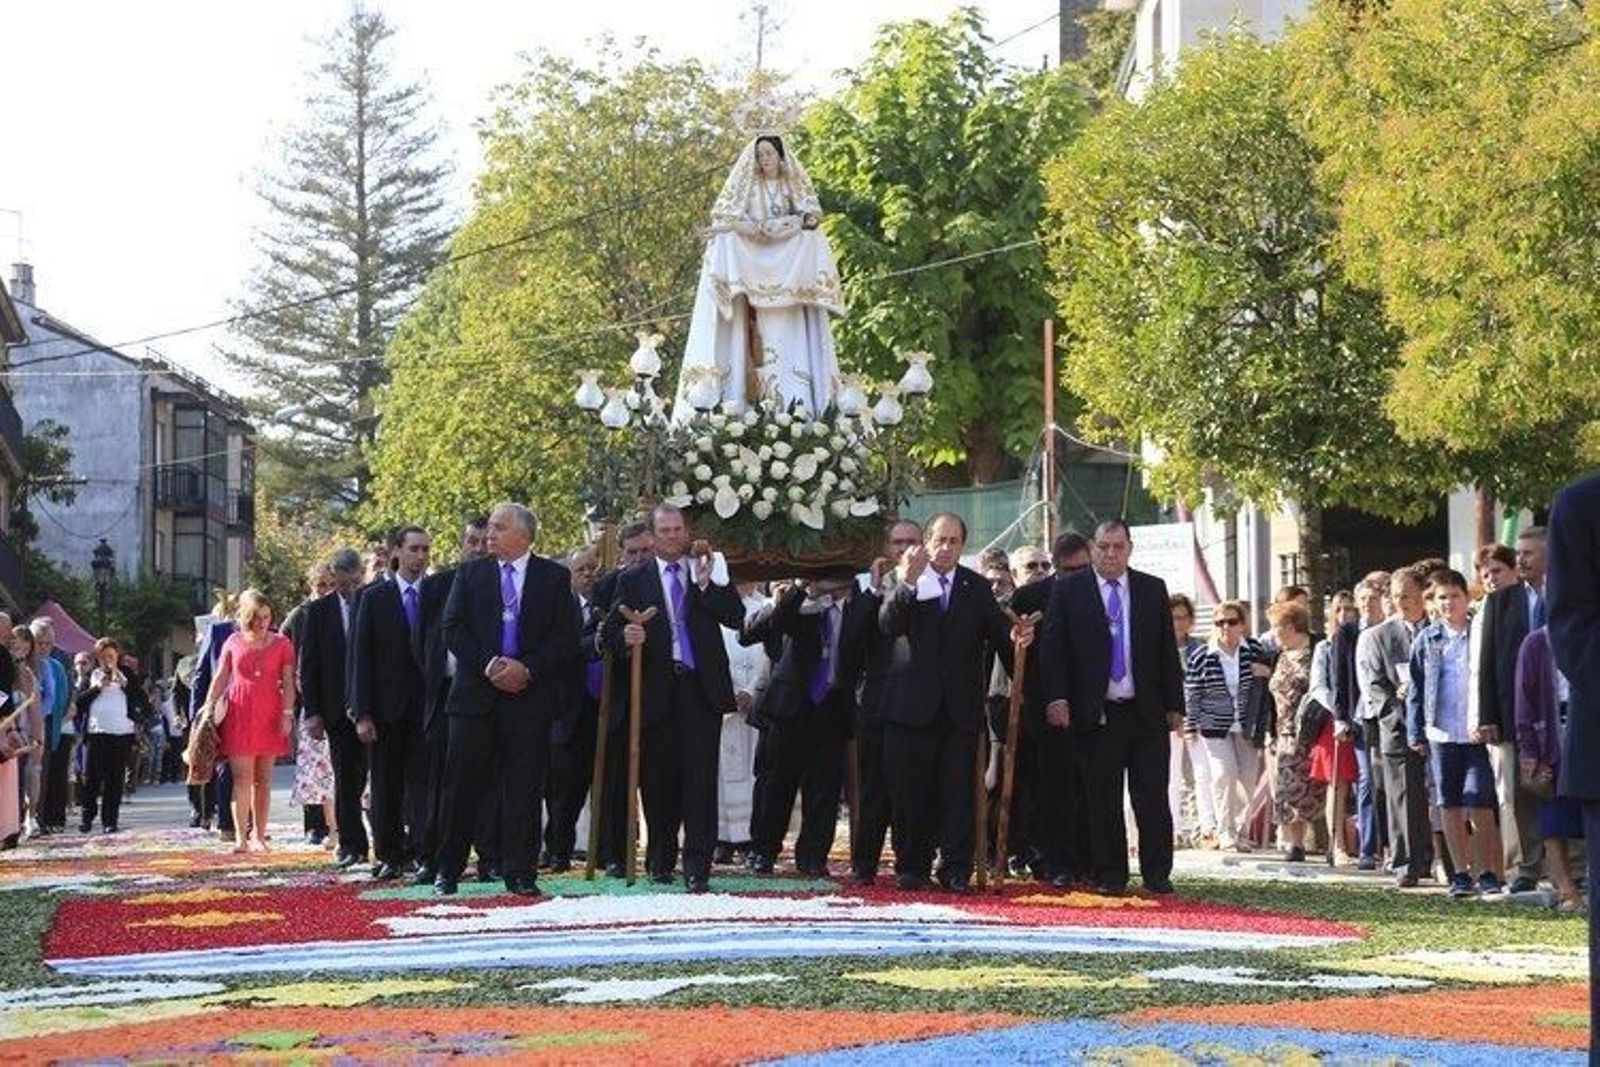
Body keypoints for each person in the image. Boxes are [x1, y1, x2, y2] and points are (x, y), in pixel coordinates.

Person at [434, 503, 580, 897]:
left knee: (525, 788)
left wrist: (527, 669)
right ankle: (447, 868)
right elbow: (452, 628)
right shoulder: (471, 573)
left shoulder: (553, 577)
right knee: (461, 786)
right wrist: (490, 665)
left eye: (499, 528)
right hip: (475, 698)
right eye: (489, 529)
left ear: (524, 535)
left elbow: (566, 637)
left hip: (529, 700)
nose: (489, 535)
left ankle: (520, 872)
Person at [879, 513, 1027, 893]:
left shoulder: (975, 587)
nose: (945, 548)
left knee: (959, 793)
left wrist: (1019, 644)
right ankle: (912, 866)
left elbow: (999, 636)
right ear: (926, 541)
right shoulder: (904, 577)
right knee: (913, 793)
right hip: (912, 708)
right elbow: (888, 625)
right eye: (939, 540)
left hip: (959, 709)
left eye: (954, 541)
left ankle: (955, 867)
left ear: (963, 545)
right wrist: (909, 581)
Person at [603, 504, 744, 893]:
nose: (672, 536)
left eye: (677, 529)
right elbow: (611, 634)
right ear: (651, 535)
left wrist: (705, 584)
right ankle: (660, 860)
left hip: (700, 689)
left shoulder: (708, 567)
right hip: (655, 689)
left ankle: (697, 866)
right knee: (659, 780)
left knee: (700, 780)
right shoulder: (634, 579)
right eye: (664, 530)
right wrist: (625, 639)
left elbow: (734, 615)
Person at [1042, 519, 1183, 895]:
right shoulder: (1071, 590)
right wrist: (1057, 698)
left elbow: (1166, 650)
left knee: (1151, 795)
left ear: (1129, 549)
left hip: (1146, 711)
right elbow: (1053, 650)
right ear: (1092, 548)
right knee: (1101, 799)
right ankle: (1111, 875)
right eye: (1103, 547)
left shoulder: (1152, 589)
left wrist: (1175, 703)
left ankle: (1157, 873)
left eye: (1118, 547)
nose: (1110, 554)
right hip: (1097, 712)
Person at [675, 134, 844, 414]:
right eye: (760, 155)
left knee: (810, 239)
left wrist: (791, 224)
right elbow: (731, 220)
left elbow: (812, 217)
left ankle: (799, 405)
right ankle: (743, 393)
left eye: (769, 153)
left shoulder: (791, 185)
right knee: (728, 241)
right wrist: (726, 230)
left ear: (780, 156)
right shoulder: (750, 188)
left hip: (789, 263)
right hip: (751, 260)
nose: (765, 159)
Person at [742, 575, 868, 877]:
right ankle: (763, 851)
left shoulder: (857, 604)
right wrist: (803, 588)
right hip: (791, 706)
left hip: (832, 705)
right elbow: (775, 623)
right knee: (777, 784)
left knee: (824, 788)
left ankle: (813, 856)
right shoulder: (800, 601)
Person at [1407, 569, 1504, 898]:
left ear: (1467, 598)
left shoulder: (1480, 632)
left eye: (1455, 596)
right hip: (1441, 733)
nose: (1449, 603)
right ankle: (1460, 873)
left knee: (1480, 801)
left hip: (1476, 732)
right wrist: (1416, 730)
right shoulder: (1427, 639)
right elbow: (1417, 689)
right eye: (1442, 597)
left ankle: (1487, 871)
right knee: (1448, 803)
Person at [349, 525, 433, 880]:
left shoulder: (436, 593)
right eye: (414, 549)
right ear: (397, 551)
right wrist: (361, 711)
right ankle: (388, 853)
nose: (420, 556)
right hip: (385, 709)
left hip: (427, 708)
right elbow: (360, 656)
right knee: (385, 784)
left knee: (424, 784)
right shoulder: (374, 598)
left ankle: (422, 851)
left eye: (426, 550)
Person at [416, 516, 490, 886]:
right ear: (462, 544)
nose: (478, 548)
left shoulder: (500, 584)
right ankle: (431, 858)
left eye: (484, 541)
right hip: (446, 694)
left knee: (491, 784)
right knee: (442, 784)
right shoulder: (437, 587)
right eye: (472, 541)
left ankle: (491, 858)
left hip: (489, 693)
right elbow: (422, 642)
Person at [848, 520, 921, 886]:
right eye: (897, 542)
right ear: (886, 546)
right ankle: (864, 864)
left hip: (917, 703)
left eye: (911, 542)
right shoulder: (867, 588)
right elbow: (854, 641)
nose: (904, 549)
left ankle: (910, 866)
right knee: (872, 787)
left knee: (909, 788)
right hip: (877, 700)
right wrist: (874, 592)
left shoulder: (931, 585)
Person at [1476, 525, 1548, 894]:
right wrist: (1487, 715)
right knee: (1521, 791)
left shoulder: (1572, 595)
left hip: (1561, 711)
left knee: (1564, 787)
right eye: (1518, 554)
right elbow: (1488, 662)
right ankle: (1528, 867)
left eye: (1529, 554)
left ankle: (1575, 865)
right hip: (1515, 712)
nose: (1520, 560)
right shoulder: (1501, 601)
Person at [198, 590, 295, 853]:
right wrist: (208, 707)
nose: (263, 622)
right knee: (241, 780)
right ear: (246, 617)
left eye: (267, 616)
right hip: (239, 713)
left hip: (270, 714)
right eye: (257, 617)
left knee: (263, 781)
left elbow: (288, 681)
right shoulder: (233, 641)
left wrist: (288, 714)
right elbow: (220, 677)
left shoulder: (283, 644)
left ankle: (260, 836)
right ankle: (241, 838)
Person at [586, 519, 656, 878]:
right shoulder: (607, 586)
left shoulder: (667, 580)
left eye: (647, 550)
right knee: (616, 781)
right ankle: (613, 853)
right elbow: (589, 639)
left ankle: (660, 856)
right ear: (622, 555)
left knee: (659, 778)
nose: (641, 558)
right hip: (620, 698)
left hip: (660, 695)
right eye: (633, 552)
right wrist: (609, 639)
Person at [1358, 566, 1433, 887]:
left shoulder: (1440, 630)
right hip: (1398, 729)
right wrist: (1404, 717)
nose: (1401, 602)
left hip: (1442, 726)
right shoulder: (1380, 636)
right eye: (1396, 596)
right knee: (1403, 797)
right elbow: (1376, 688)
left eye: (1408, 595)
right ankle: (1406, 862)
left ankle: (1441, 859)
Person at [299, 548, 370, 869]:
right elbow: (309, 665)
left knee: (380, 778)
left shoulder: (375, 600)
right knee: (346, 778)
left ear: (362, 576)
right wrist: (312, 711)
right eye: (343, 585)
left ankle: (390, 843)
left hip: (374, 707)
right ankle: (352, 843)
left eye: (354, 583)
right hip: (336, 709)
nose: (349, 591)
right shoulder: (318, 612)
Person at [1183, 600, 1272, 853]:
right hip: (1214, 726)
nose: (1225, 627)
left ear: (1242, 625)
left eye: (1231, 621)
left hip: (1247, 725)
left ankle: (1242, 831)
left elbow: (1272, 675)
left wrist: (1266, 671)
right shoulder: (1202, 655)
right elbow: (1192, 693)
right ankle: (1225, 831)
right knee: (1224, 775)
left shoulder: (1254, 649)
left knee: (1247, 779)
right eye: (1219, 622)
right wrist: (1191, 727)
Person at [1513, 624, 1584, 912]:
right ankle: (1567, 890)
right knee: (1553, 815)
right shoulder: (1535, 643)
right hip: (1552, 738)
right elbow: (1523, 700)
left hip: (1587, 732)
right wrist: (1529, 749)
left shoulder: (1587, 633)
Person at [544, 545, 601, 873]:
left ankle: (605, 850)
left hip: (600, 710)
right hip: (565, 713)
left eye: (592, 568)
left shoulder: (606, 607)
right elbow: (562, 649)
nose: (588, 574)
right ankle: (557, 851)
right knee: (562, 790)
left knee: (596, 789)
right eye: (580, 569)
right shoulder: (558, 608)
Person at [716, 581, 769, 866]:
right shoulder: (717, 609)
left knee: (752, 771)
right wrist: (729, 693)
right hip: (724, 704)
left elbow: (770, 657)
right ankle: (722, 837)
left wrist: (751, 691)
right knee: (722, 772)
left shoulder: (764, 607)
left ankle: (751, 837)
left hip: (753, 704)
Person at [1266, 601, 1323, 861]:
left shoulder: (1315, 654)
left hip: (1309, 732)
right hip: (1282, 731)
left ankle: (1306, 842)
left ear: (1289, 627)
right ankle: (1294, 842)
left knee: (1307, 788)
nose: (1273, 633)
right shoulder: (1280, 656)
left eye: (1276, 627)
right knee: (1286, 789)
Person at [78, 638, 140, 834]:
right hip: (97, 733)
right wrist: (97, 688)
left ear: (117, 657)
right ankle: (87, 818)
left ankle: (110, 821)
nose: (108, 661)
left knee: (115, 779)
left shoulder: (127, 674)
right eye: (103, 657)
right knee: (91, 779)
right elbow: (79, 703)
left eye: (111, 656)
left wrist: (124, 685)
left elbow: (141, 701)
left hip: (121, 734)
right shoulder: (92, 675)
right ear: (98, 658)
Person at [1169, 593, 1216, 850]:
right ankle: (1173, 829)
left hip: (1197, 717)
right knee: (1171, 775)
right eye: (1174, 617)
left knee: (1203, 773)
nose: (1179, 622)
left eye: (1184, 617)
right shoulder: (1158, 645)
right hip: (1168, 718)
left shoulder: (1201, 646)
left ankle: (1207, 828)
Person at [190, 594, 237, 837]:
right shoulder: (218, 632)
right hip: (223, 708)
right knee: (227, 765)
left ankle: (249, 823)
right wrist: (197, 712)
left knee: (253, 767)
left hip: (253, 707)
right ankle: (227, 824)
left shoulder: (265, 631)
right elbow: (201, 674)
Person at [32, 619, 73, 835]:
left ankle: (43, 818)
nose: (44, 648)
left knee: (44, 773)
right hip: (24, 724)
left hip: (48, 725)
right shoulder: (23, 663)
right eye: (40, 643)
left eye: (48, 643)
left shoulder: (56, 665)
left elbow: (64, 695)